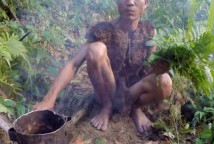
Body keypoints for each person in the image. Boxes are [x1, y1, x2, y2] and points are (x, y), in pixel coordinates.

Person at [33, 0, 172, 133]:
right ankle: (107, 107)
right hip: (108, 91)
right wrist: (49, 99)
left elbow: (149, 69)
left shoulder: (150, 32)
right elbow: (74, 63)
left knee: (165, 81)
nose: (130, 2)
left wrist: (159, 68)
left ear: (146, 3)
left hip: (133, 93)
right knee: (95, 49)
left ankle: (135, 109)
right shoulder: (104, 30)